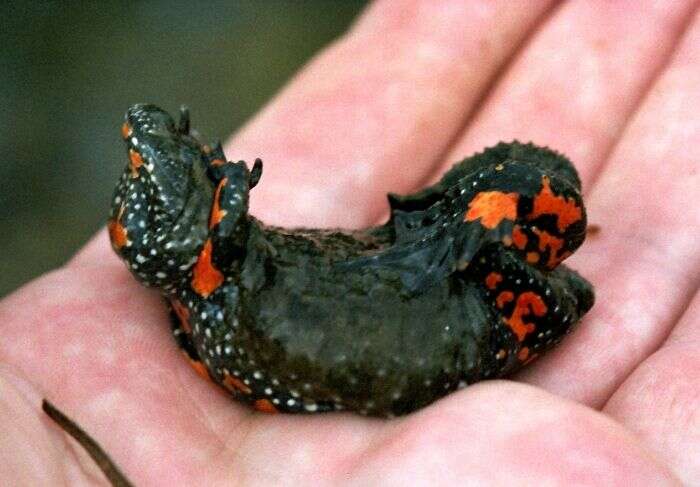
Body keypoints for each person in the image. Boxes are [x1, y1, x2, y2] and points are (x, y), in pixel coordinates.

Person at [1, 1, 698, 484]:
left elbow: (563, 283)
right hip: (350, 291)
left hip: (421, 313)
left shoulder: (221, 277)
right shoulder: (219, 275)